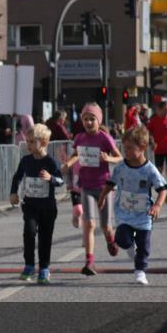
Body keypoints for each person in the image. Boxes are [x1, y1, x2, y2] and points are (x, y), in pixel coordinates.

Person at [98, 126, 167, 285]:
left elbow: (162, 189)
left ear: (142, 148)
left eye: (129, 148)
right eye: (124, 148)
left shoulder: (150, 170)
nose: (125, 151)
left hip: (144, 215)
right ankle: (130, 247)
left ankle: (140, 271)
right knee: (122, 239)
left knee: (144, 246)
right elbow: (111, 183)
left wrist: (157, 206)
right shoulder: (121, 167)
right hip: (124, 213)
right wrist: (102, 197)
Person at [62, 103, 122, 275]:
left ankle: (110, 239)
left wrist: (108, 159)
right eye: (85, 119)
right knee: (88, 224)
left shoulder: (104, 138)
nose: (88, 122)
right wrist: (68, 164)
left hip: (104, 187)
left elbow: (120, 157)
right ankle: (90, 261)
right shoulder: (79, 138)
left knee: (105, 225)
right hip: (86, 185)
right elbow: (75, 155)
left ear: (98, 120)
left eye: (92, 119)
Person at [9, 124, 64, 284]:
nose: (29, 145)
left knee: (45, 238)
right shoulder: (26, 161)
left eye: (33, 142)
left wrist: (51, 178)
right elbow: (17, 177)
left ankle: (44, 268)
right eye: (28, 141)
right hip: (30, 206)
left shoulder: (51, 162)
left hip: (47, 208)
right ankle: (29, 265)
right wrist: (13, 193)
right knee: (29, 233)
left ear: (44, 142)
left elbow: (61, 181)